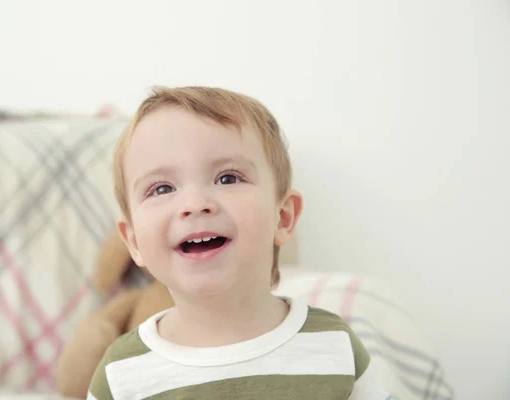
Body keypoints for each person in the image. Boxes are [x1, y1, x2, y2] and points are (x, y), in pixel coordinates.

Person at [87, 86, 391, 399]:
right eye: (162, 189)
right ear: (134, 241)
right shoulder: (122, 374)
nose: (194, 203)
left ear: (283, 217)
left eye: (228, 178)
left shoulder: (333, 346)